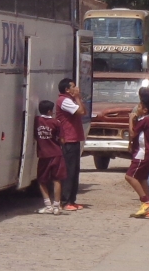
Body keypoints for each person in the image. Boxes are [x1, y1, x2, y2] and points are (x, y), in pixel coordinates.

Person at [55, 78, 86, 211]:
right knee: (69, 171)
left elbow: (83, 111)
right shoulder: (64, 101)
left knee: (75, 171)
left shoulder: (71, 100)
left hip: (74, 139)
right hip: (68, 139)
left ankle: (72, 200)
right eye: (73, 87)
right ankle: (66, 200)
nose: (76, 88)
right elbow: (80, 112)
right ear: (67, 89)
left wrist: (78, 98)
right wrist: (78, 97)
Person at [35, 100, 67, 215]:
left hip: (43, 155)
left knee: (42, 180)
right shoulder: (56, 122)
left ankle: (48, 205)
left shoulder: (37, 120)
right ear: (50, 111)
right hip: (57, 154)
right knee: (57, 179)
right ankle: (57, 206)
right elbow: (63, 140)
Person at [126, 95, 149, 219]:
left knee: (129, 176)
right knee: (142, 178)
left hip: (143, 153)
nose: (136, 108)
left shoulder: (145, 120)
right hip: (147, 152)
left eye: (139, 106)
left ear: (145, 109)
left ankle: (145, 201)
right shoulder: (145, 120)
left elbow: (132, 133)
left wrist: (130, 119)